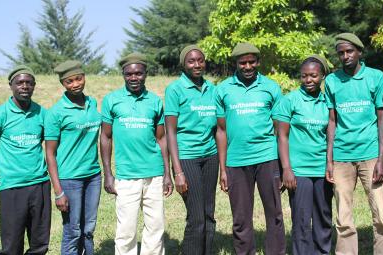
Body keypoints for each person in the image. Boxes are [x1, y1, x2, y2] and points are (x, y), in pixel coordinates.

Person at [324, 33, 383, 255]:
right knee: (343, 215)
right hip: (342, 156)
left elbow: (382, 119)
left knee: (381, 214)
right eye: (341, 53)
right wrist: (329, 160)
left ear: (359, 52)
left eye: (349, 51)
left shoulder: (375, 77)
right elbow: (332, 121)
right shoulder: (331, 81)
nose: (345, 56)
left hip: (371, 154)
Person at [215, 42, 285, 255]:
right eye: (242, 62)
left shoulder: (271, 87)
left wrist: (281, 165)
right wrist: (223, 169)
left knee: (275, 214)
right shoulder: (223, 89)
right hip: (236, 161)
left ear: (258, 62)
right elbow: (221, 130)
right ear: (235, 63)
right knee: (241, 217)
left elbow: (279, 128)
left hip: (267, 158)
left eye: (251, 62)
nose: (247, 66)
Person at [100, 52, 173, 255]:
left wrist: (167, 174)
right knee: (126, 230)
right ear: (123, 74)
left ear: (146, 74)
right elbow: (105, 137)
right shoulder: (112, 100)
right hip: (126, 176)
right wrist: (107, 173)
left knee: (155, 227)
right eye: (129, 74)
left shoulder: (155, 102)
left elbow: (162, 138)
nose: (134, 78)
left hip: (154, 174)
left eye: (139, 73)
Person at [276, 55, 333, 255]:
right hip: (298, 169)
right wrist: (286, 169)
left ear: (323, 76)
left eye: (313, 76)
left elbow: (331, 133)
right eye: (304, 76)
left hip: (322, 169)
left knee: (324, 216)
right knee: (301, 218)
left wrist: (330, 164)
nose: (308, 80)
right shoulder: (290, 100)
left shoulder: (328, 102)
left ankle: (322, 252)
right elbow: (282, 136)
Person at [165, 45, 218, 255]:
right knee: (196, 217)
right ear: (183, 64)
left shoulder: (212, 89)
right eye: (191, 61)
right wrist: (177, 171)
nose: (197, 64)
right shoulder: (175, 90)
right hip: (187, 157)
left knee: (208, 214)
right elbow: (170, 131)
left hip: (211, 156)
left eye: (200, 60)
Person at [44, 60, 102, 254]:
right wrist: (58, 191)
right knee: (73, 230)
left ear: (84, 77)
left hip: (93, 176)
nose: (76, 84)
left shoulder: (92, 103)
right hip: (70, 178)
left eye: (79, 78)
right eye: (69, 81)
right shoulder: (56, 113)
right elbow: (50, 154)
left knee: (88, 229)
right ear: (63, 84)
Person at [0, 66, 51, 254]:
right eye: (20, 83)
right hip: (12, 186)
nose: (24, 86)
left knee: (40, 242)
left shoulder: (42, 113)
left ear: (34, 86)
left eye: (29, 83)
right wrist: (3, 166)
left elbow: (50, 146)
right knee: (12, 244)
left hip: (40, 184)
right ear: (11, 85)